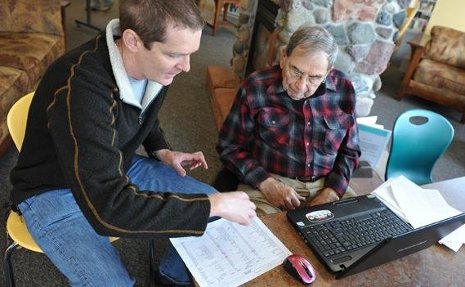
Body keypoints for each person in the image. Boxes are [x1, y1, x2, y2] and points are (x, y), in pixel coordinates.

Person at [9, 0, 256, 286]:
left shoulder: (155, 67)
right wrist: (209, 206)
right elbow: (108, 209)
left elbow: (142, 107)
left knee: (216, 209)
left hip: (114, 163)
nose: (187, 67)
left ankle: (170, 277)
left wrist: (160, 149)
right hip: (50, 190)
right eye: (176, 54)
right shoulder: (80, 88)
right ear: (132, 40)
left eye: (190, 54)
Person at [217, 25, 361, 215]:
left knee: (360, 233)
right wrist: (266, 183)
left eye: (314, 78)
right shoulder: (255, 87)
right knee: (258, 237)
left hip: (325, 184)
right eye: (296, 71)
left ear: (328, 72)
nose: (301, 86)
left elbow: (351, 152)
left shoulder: (344, 89)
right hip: (268, 184)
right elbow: (228, 147)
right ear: (284, 57)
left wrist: (333, 191)